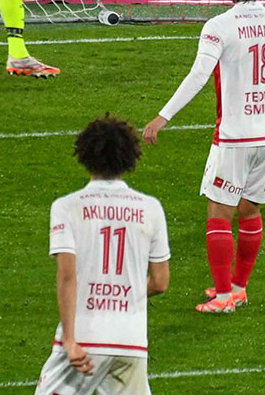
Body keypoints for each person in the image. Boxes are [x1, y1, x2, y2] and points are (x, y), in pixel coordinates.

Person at [142, 0, 265, 314]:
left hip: (235, 136)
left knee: (218, 213)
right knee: (250, 211)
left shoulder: (219, 26)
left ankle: (223, 297)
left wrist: (163, 117)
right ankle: (239, 288)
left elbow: (199, 74)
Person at [36, 116, 170, 395]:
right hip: (131, 343)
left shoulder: (67, 207)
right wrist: (127, 294)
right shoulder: (151, 208)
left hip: (85, 338)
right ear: (129, 158)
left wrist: (70, 339)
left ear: (85, 155)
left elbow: (67, 276)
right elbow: (160, 282)